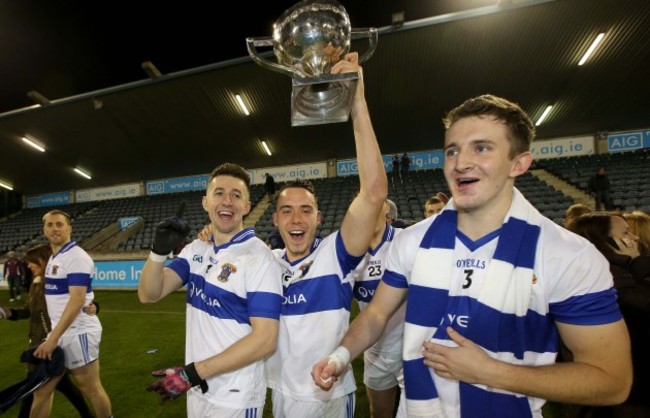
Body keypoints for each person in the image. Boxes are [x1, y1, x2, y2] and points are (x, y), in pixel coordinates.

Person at [311, 94, 632, 417]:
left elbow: (611, 380)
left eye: (481, 148)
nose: (460, 162)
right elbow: (377, 315)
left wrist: (489, 372)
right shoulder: (412, 241)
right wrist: (340, 356)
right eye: (453, 150)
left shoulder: (568, 255)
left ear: (519, 163)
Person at [265, 51, 388, 418]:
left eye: (306, 210)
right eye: (287, 210)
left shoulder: (335, 254)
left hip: (329, 396)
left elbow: (373, 194)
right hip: (282, 392)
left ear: (319, 218)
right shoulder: (264, 262)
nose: (296, 218)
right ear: (275, 220)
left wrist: (357, 101)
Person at [138, 162, 283, 417]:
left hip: (235, 396)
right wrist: (158, 252)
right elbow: (149, 294)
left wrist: (193, 372)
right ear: (206, 202)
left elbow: (266, 340)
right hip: (198, 390)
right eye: (219, 193)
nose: (227, 201)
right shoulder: (197, 248)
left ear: (247, 206)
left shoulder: (259, 257)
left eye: (236, 195)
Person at [566, 212, 650, 416]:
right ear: (605, 242)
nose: (634, 238)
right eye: (625, 232)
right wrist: (639, 263)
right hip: (624, 402)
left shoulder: (615, 271)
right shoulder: (605, 277)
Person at [31, 209, 112, 418]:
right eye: (50, 225)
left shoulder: (76, 257)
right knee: (42, 391)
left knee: (90, 388)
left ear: (69, 228)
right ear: (44, 229)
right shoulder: (54, 257)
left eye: (59, 224)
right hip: (60, 333)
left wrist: (52, 339)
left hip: (79, 332)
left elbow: (77, 301)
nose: (55, 229)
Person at [0, 244, 96, 418]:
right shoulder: (36, 284)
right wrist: (8, 313)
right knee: (61, 386)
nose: (28, 266)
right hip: (40, 343)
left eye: (31, 262)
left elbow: (77, 302)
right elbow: (29, 310)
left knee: (34, 389)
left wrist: (94, 307)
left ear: (43, 260)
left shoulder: (54, 284)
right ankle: (87, 414)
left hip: (49, 345)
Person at [352, 199, 405, 418]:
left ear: (387, 211)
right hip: (375, 350)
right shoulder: (350, 254)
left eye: (376, 200)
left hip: (412, 348)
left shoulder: (405, 240)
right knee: (379, 414)